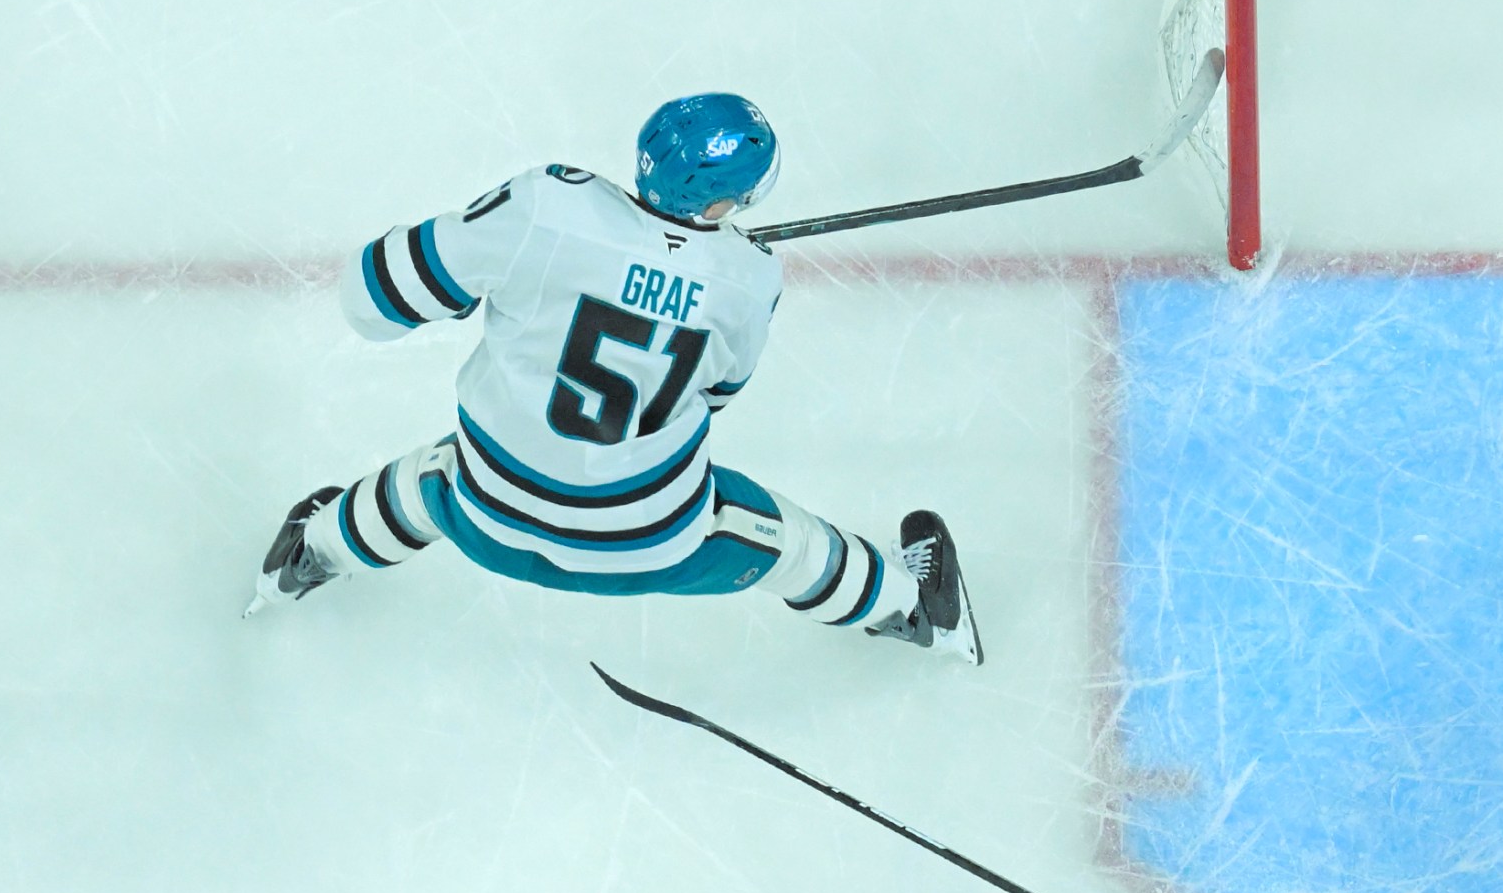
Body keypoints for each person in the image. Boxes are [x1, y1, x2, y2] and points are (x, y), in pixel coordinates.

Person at [246, 94, 979, 660]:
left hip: (483, 519)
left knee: (420, 482)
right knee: (787, 543)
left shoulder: (547, 206)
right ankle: (918, 614)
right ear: (725, 206)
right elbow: (720, 393)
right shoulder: (747, 279)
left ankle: (304, 560)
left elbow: (370, 303)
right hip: (651, 542)